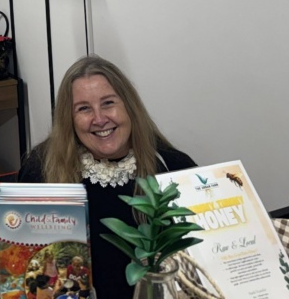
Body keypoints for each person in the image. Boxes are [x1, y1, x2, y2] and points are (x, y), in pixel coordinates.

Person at [18, 55, 196, 299]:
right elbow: (26, 271)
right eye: (83, 109)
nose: (99, 119)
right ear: (68, 119)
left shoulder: (173, 168)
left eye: (108, 103)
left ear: (129, 107)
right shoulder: (41, 171)